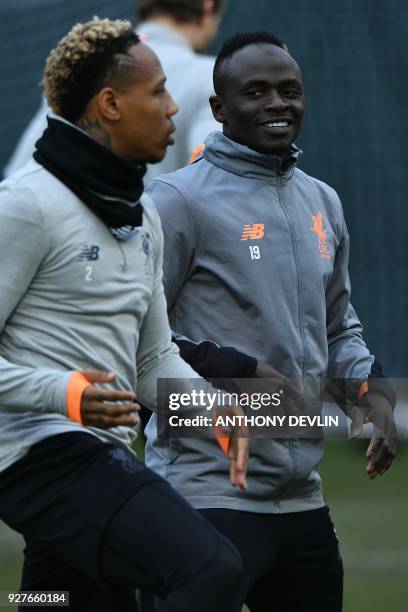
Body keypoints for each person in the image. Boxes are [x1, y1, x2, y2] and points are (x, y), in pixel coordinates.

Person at [0, 18, 248, 612]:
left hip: (98, 454)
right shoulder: (26, 206)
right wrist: (67, 393)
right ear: (109, 104)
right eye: (158, 92)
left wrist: (213, 410)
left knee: (52, 601)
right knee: (210, 570)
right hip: (38, 456)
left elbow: (153, 358)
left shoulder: (143, 218)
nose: (171, 107)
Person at [144, 31, 397, 611]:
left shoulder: (323, 202)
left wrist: (370, 388)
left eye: (289, 91)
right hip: (205, 493)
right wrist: (235, 370)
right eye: (255, 92)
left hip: (302, 498)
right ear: (218, 108)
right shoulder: (176, 201)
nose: (276, 104)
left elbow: (338, 328)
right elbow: (137, 330)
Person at [3, 0, 225, 179]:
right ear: (208, 4)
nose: (171, 107)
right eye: (158, 92)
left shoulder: (82, 64)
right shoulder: (211, 75)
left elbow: (19, 174)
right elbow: (214, 177)